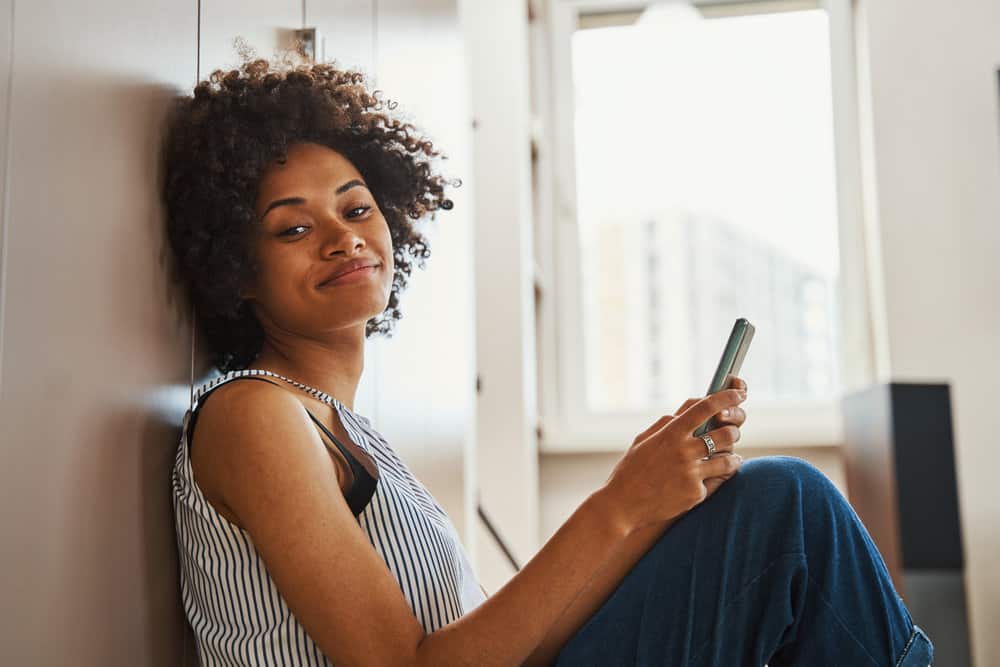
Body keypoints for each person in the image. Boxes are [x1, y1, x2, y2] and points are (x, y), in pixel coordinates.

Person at [162, 56, 934, 666]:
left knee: (777, 502)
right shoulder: (253, 414)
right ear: (237, 266)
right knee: (787, 507)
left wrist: (644, 500)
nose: (343, 236)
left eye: (357, 207)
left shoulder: (351, 434)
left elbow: (509, 645)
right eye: (293, 229)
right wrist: (619, 507)